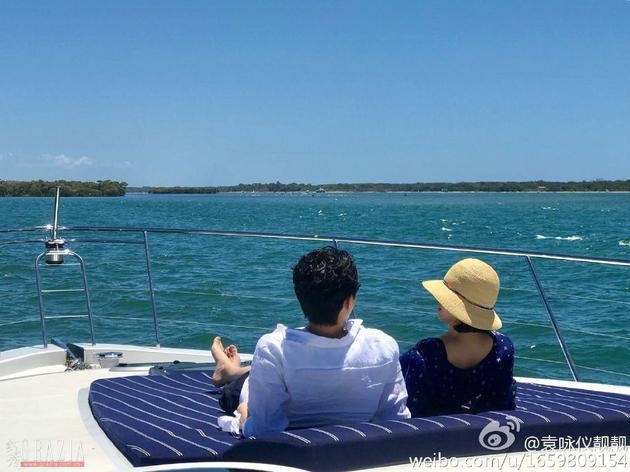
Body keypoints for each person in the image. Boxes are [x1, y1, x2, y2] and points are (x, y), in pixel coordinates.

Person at [211, 246, 411, 436]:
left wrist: (243, 416)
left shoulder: (273, 348)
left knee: (236, 391)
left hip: (284, 430)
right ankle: (231, 370)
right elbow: (395, 421)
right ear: (349, 302)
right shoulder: (383, 345)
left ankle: (230, 371)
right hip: (354, 448)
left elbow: (263, 430)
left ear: (300, 297)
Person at [400, 258, 516, 417]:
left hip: (433, 432)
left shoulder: (425, 355)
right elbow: (505, 405)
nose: (438, 299)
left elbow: (408, 412)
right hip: (485, 431)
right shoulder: (503, 348)